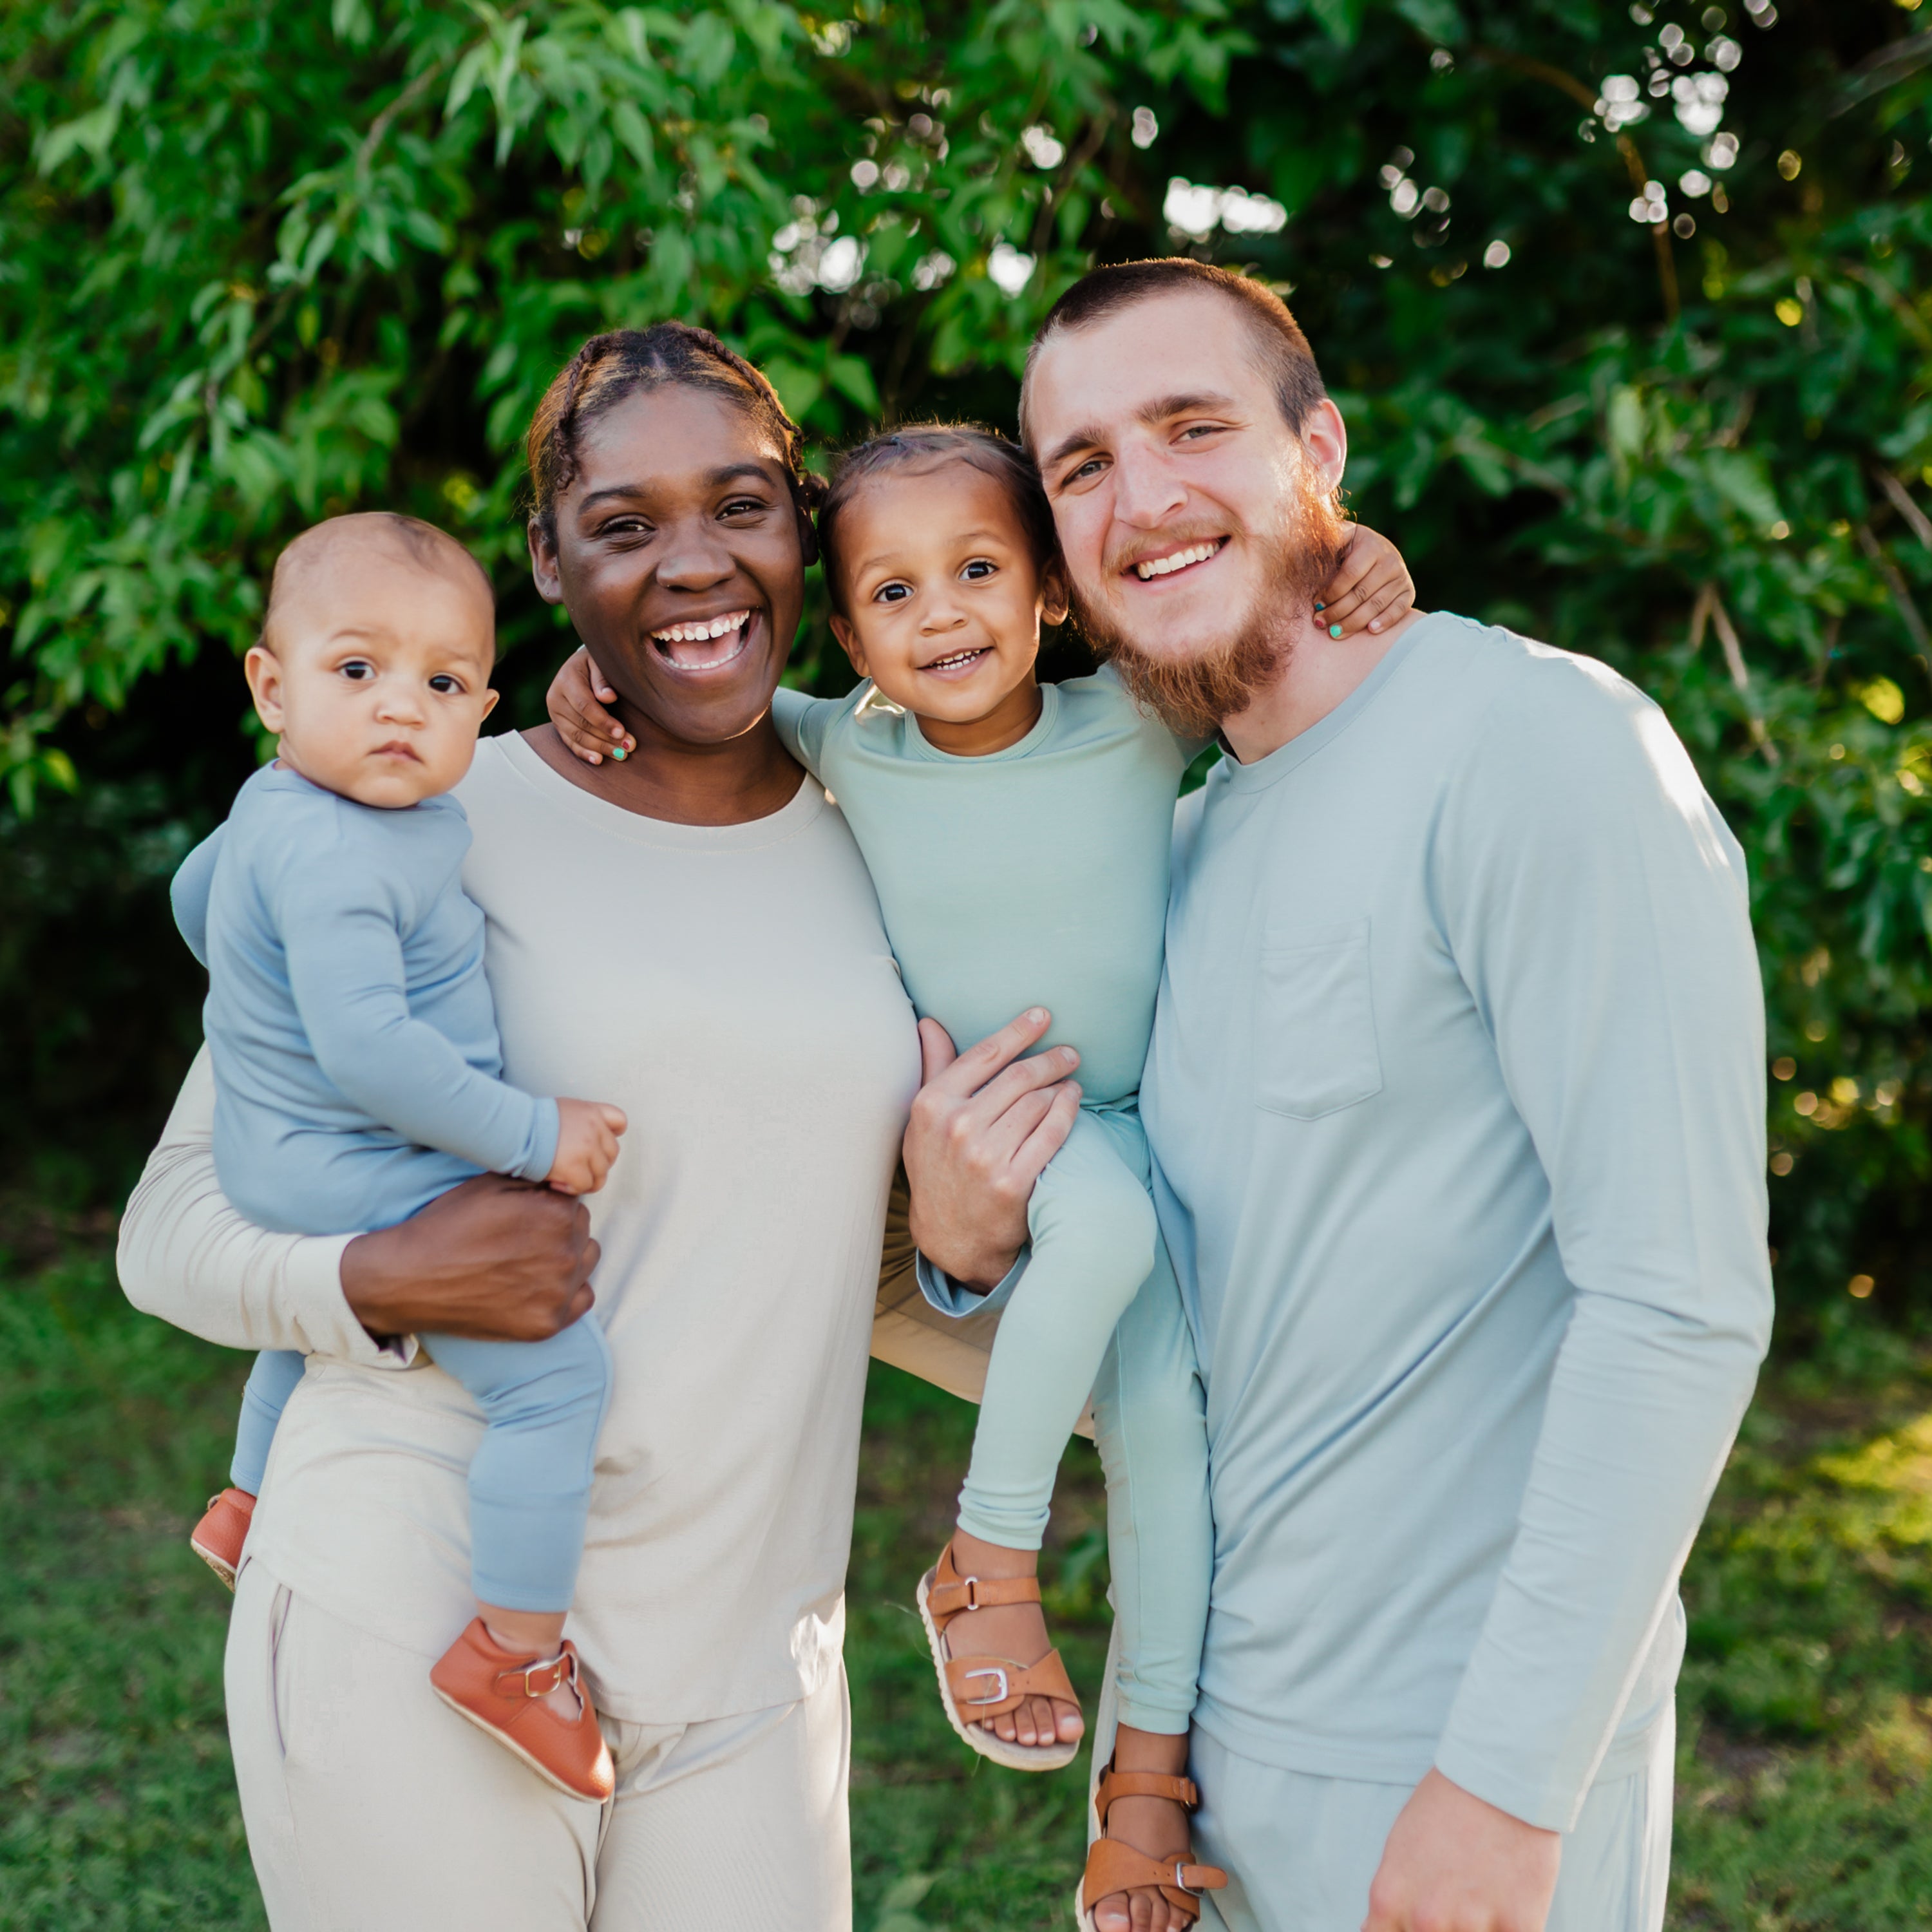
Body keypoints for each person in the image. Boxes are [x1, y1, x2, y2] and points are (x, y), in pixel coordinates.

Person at [898, 259, 1773, 1932]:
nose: (1142, 495)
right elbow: (1194, 1312)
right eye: (1081, 466)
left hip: (1447, 1788)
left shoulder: (1539, 748)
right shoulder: (1173, 843)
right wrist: (975, 1248)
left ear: (1323, 452)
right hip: (1184, 1783)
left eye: (1193, 426)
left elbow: (1676, 1304)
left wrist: (1509, 1788)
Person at [118, 323, 955, 1931]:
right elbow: (171, 1227)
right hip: (414, 1600)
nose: (694, 564)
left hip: (755, 1653)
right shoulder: (422, 811)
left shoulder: (893, 830)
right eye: (624, 526)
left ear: (813, 527)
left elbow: (807, 1244)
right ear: (551, 565)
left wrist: (977, 1273)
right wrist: (384, 1276)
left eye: (743, 507)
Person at [545, 431, 1411, 1931]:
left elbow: (1277, 615)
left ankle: (1142, 1799)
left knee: (1167, 1450)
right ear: (846, 628)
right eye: (892, 590)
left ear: (1056, 593)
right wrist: (593, 684)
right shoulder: (837, 744)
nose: (939, 614)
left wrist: (1354, 558)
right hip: (1018, 1129)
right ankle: (988, 1557)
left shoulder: (1136, 717)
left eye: (979, 572)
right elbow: (680, 688)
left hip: (1140, 1119)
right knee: (1113, 1238)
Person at [171, 511, 631, 1801]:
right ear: (272, 685)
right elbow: (373, 1052)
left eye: (439, 685)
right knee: (555, 1379)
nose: (398, 711)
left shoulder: (277, 809)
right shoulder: (338, 847)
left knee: (306, 1323)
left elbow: (193, 903)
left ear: (483, 705)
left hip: (281, 1148)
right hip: (347, 1153)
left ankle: (246, 1500)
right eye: (356, 670)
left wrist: (252, 985)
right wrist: (538, 1134)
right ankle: (516, 1652)